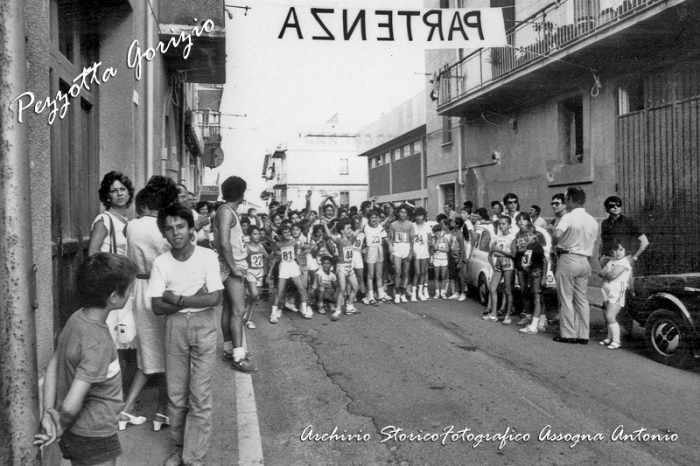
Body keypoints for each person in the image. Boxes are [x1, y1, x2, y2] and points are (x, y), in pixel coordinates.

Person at [34, 253, 138, 466]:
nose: (131, 294)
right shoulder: (97, 341)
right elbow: (72, 407)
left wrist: (48, 412)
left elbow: (53, 365)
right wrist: (59, 428)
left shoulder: (76, 318)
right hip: (95, 434)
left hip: (79, 432)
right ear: (113, 297)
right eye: (129, 290)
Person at [149, 203, 224, 466]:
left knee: (200, 395)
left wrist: (178, 299)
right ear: (163, 233)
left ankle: (195, 457)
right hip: (174, 327)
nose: (175, 233)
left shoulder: (206, 257)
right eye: (168, 229)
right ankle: (179, 449)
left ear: (191, 229)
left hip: (204, 325)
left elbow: (214, 297)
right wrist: (194, 298)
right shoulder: (161, 262)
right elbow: (158, 306)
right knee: (177, 394)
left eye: (181, 226)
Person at [122, 176, 178, 432]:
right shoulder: (164, 229)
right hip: (160, 290)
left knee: (146, 355)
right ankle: (161, 413)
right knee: (169, 355)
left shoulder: (132, 226)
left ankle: (127, 408)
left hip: (138, 289)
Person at [213, 176, 257, 373]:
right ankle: (238, 357)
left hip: (232, 264)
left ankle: (229, 349)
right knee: (238, 310)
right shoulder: (226, 212)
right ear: (241, 193)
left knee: (230, 308)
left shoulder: (226, 211)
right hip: (232, 265)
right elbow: (223, 242)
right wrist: (233, 268)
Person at [87, 172, 136, 351]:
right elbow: (93, 253)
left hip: (124, 281)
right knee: (110, 328)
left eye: (123, 189)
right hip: (109, 282)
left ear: (129, 193)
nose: (120, 194)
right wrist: (117, 262)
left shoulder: (127, 221)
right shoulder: (104, 219)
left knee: (124, 328)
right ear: (107, 195)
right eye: (114, 191)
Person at [551, 187, 599, 344]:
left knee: (566, 297)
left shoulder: (568, 217)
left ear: (570, 200)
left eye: (566, 200)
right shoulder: (592, 220)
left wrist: (555, 245)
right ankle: (583, 334)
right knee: (582, 299)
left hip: (568, 259)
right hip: (584, 261)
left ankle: (568, 333)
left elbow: (557, 234)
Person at [268, 223, 312, 322]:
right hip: (284, 266)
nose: (287, 234)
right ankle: (273, 313)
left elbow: (296, 256)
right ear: (281, 234)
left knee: (301, 288)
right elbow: (275, 258)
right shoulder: (278, 244)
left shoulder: (294, 242)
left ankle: (304, 311)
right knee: (279, 291)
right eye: (285, 232)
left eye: (288, 231)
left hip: (293, 266)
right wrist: (270, 272)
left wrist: (300, 266)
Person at [596, 238, 632, 350]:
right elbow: (600, 273)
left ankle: (617, 341)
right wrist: (607, 271)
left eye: (621, 249)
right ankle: (609, 337)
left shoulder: (624, 262)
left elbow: (612, 275)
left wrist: (607, 272)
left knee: (610, 316)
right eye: (615, 250)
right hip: (607, 290)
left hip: (617, 290)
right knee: (607, 315)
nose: (618, 252)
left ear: (625, 251)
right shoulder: (612, 261)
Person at [322, 217, 361, 321]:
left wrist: (360, 217)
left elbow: (359, 228)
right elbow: (329, 235)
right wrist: (325, 224)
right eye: (348, 228)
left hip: (350, 266)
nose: (350, 230)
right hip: (341, 267)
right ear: (342, 230)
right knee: (342, 289)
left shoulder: (351, 239)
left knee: (356, 287)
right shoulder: (339, 240)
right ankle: (338, 310)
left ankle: (350, 306)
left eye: (350, 228)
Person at [599, 196, 649, 268]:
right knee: (607, 279)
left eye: (618, 205)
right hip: (608, 260)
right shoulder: (605, 223)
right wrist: (600, 257)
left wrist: (635, 257)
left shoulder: (628, 222)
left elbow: (645, 241)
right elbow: (603, 241)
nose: (615, 207)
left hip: (624, 260)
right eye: (612, 206)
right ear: (607, 209)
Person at [517, 225, 548, 335]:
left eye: (530, 235)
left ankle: (534, 325)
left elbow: (544, 262)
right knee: (538, 298)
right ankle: (541, 322)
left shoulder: (536, 246)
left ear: (534, 235)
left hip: (537, 274)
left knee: (537, 299)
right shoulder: (529, 246)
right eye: (526, 235)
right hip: (532, 273)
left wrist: (543, 277)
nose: (527, 237)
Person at [485, 216, 517, 323]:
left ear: (509, 225)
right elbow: (490, 254)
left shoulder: (512, 238)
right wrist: (493, 266)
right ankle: (493, 313)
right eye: (500, 224)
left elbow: (513, 254)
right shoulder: (497, 238)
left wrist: (500, 251)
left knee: (508, 290)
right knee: (492, 288)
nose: (501, 226)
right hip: (498, 264)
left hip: (508, 265)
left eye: (503, 224)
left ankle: (507, 315)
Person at [389, 204, 415, 303]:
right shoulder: (393, 224)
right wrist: (391, 252)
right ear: (398, 213)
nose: (403, 214)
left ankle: (403, 293)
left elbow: (412, 240)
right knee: (397, 271)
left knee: (405, 272)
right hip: (397, 247)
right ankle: (397, 293)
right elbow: (390, 239)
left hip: (406, 247)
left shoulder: (410, 224)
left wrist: (411, 251)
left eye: (405, 212)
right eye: (401, 212)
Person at [243, 225, 268, 329]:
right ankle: (243, 306)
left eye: (258, 234)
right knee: (254, 293)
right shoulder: (246, 247)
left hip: (260, 272)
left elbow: (267, 256)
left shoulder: (261, 246)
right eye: (255, 234)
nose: (257, 236)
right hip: (250, 272)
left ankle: (249, 320)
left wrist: (276, 253)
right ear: (249, 235)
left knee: (255, 297)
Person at [410, 207, 431, 302]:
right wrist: (411, 250)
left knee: (423, 272)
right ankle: (413, 293)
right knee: (417, 272)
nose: (418, 217)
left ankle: (420, 292)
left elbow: (430, 240)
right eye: (417, 215)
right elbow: (410, 240)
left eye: (420, 215)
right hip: (416, 251)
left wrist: (430, 253)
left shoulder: (427, 226)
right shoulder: (412, 225)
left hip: (424, 251)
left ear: (424, 216)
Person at [431, 224, 450, 299]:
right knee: (436, 276)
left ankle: (442, 292)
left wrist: (439, 249)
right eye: (436, 232)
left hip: (444, 259)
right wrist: (438, 240)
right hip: (436, 259)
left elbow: (447, 250)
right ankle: (437, 292)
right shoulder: (433, 239)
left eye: (439, 231)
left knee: (443, 276)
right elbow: (435, 248)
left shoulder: (445, 239)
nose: (438, 233)